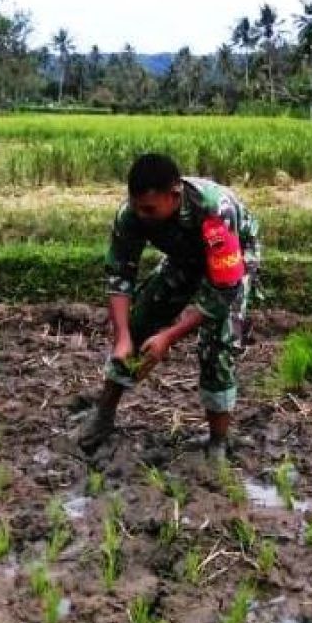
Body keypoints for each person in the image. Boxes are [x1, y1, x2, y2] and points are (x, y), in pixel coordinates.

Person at [78, 153, 261, 461]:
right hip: (185, 258)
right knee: (138, 323)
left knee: (218, 344)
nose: (141, 214)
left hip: (233, 261)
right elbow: (120, 275)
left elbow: (221, 293)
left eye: (149, 209)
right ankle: (103, 416)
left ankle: (217, 441)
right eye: (136, 206)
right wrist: (123, 336)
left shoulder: (215, 212)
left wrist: (169, 337)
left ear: (174, 196)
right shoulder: (132, 213)